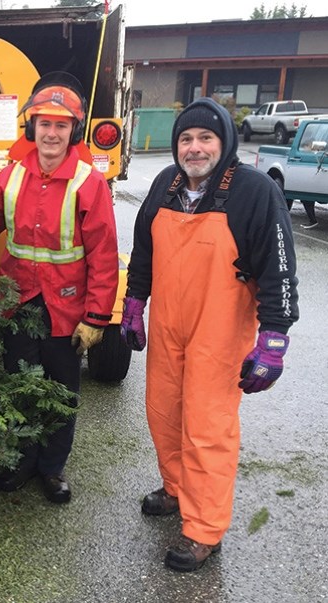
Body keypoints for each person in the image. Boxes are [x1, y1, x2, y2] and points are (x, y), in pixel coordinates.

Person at [121, 97, 299, 572]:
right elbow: (143, 252)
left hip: (219, 332)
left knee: (207, 428)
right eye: (186, 139)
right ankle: (177, 488)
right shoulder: (165, 184)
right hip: (169, 325)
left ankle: (204, 529)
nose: (194, 148)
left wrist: (274, 339)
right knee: (163, 412)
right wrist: (134, 302)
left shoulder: (255, 192)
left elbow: (279, 271)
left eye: (205, 138)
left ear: (224, 143)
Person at [0, 72, 119, 504]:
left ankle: (52, 469)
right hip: (19, 302)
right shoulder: (12, 175)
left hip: (66, 308)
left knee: (61, 390)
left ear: (73, 131)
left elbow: (104, 258)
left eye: (61, 125)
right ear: (31, 127)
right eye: (44, 124)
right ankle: (21, 462)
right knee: (19, 385)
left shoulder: (89, 183)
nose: (51, 133)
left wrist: (95, 318)